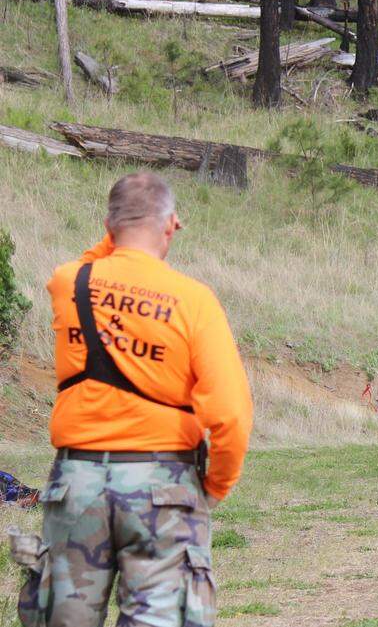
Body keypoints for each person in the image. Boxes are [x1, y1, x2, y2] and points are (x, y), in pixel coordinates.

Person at [16, 172, 253, 627]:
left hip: (76, 483)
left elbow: (93, 259)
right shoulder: (193, 300)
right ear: (170, 225)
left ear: (109, 226)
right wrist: (215, 488)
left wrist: (117, 233)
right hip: (162, 486)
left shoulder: (70, 282)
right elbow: (231, 413)